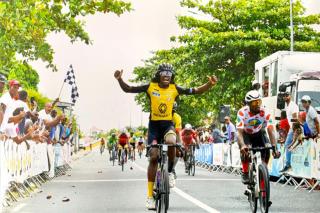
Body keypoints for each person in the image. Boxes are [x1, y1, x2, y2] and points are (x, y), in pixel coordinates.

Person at [114, 63, 218, 209]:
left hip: (167, 125)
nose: (167, 76)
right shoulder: (151, 86)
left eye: (169, 74)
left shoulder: (175, 88)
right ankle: (150, 196)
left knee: (171, 141)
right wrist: (120, 79)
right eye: (164, 73)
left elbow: (195, 91)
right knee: (154, 156)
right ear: (158, 74)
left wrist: (209, 84)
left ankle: (169, 171)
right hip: (154, 127)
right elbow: (129, 89)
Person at [237, 90, 280, 184]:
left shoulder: (264, 111)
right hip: (246, 134)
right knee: (245, 151)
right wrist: (243, 145)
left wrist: (274, 146)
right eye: (254, 102)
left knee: (268, 149)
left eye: (259, 102)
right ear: (248, 104)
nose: (257, 105)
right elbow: (239, 132)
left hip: (259, 132)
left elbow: (270, 129)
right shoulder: (242, 112)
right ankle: (245, 172)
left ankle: (263, 171)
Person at [280, 91, 299, 173]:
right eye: (284, 95)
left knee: (287, 145)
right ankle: (289, 165)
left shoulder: (293, 105)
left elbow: (295, 118)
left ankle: (288, 165)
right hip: (292, 128)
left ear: (290, 96)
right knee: (289, 145)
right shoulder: (287, 106)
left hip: (294, 128)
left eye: (287, 95)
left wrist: (295, 131)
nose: (285, 97)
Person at [172, 102, 182, 179]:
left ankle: (172, 168)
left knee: (177, 153)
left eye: (173, 110)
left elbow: (178, 132)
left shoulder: (177, 117)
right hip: (161, 135)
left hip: (172, 136)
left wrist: (179, 144)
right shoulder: (162, 115)